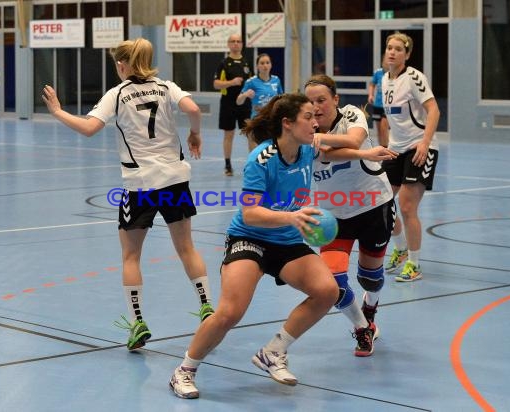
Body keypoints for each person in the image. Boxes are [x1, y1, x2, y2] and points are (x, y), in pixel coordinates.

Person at [41, 37, 214, 350]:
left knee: (131, 255)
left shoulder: (117, 94)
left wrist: (56, 111)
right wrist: (195, 133)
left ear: (122, 64)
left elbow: (89, 128)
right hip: (175, 179)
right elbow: (193, 109)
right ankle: (207, 307)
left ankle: (137, 324)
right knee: (187, 248)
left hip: (140, 183)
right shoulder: (166, 87)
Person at [169, 93, 340, 399]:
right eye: (309, 117)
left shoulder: (306, 150)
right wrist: (291, 217)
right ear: (287, 124)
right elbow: (250, 212)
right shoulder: (261, 158)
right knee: (229, 312)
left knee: (327, 291)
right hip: (250, 238)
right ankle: (184, 370)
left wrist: (368, 155)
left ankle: (273, 352)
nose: (316, 123)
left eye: (316, 117)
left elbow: (338, 152)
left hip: (286, 240)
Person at [304, 74, 397, 357]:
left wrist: (320, 138)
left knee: (371, 278)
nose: (316, 107)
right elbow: (333, 155)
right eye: (310, 102)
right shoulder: (303, 126)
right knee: (333, 283)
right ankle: (362, 328)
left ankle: (370, 309)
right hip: (334, 215)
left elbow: (354, 141)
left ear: (335, 99)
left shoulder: (352, 114)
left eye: (321, 100)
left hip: (373, 205)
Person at [381, 32, 440, 282]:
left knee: (406, 206)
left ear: (406, 54)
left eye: (398, 49)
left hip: (419, 148)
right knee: (381, 202)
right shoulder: (384, 79)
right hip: (396, 148)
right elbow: (388, 118)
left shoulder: (414, 77)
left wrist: (425, 144)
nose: (392, 52)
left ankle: (414, 265)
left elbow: (434, 109)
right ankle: (400, 250)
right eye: (389, 48)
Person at [213, 33, 252, 176]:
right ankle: (228, 165)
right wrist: (231, 82)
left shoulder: (247, 63)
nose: (236, 43)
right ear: (229, 44)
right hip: (228, 104)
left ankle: (252, 165)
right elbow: (216, 84)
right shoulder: (223, 63)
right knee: (229, 134)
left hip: (245, 104)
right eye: (233, 41)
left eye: (238, 41)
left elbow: (252, 83)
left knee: (250, 134)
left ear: (242, 44)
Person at [236, 53, 283, 120]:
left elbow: (281, 98)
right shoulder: (251, 82)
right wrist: (245, 95)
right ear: (257, 66)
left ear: (271, 65)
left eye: (267, 63)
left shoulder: (276, 80)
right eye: (262, 63)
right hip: (258, 119)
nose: (265, 66)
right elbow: (238, 102)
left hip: (273, 118)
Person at [368, 54, 389, 147]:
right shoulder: (377, 72)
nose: (387, 62)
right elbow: (372, 84)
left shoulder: (393, 74)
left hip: (387, 106)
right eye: (385, 60)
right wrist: (371, 95)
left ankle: (387, 148)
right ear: (382, 61)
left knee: (384, 127)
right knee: (379, 129)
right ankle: (381, 148)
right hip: (377, 105)